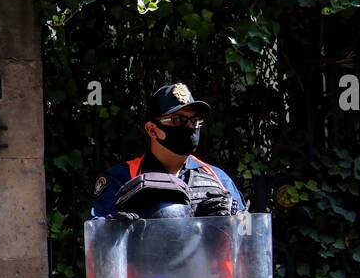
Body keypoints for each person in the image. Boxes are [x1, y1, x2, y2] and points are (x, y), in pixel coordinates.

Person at [91, 82, 245, 219]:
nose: (190, 126)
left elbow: (248, 238)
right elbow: (99, 244)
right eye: (178, 119)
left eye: (195, 120)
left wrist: (232, 221)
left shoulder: (218, 178)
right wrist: (121, 232)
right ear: (152, 130)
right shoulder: (121, 179)